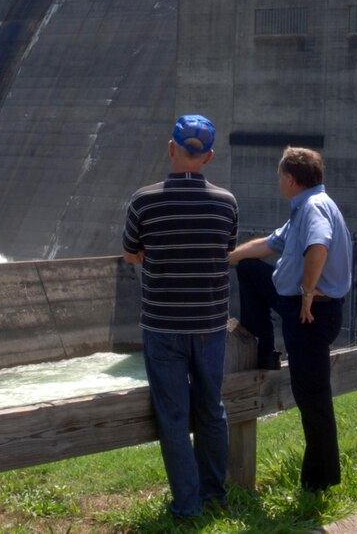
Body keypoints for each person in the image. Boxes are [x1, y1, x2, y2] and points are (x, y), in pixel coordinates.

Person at [122, 114, 239, 519]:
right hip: (210, 324)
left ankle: (187, 507)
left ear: (171, 148)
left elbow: (131, 253)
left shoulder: (144, 200)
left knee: (172, 415)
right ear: (207, 157)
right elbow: (226, 250)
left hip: (163, 326)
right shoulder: (227, 204)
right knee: (212, 409)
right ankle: (215, 496)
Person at [230, 146, 352, 492]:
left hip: (310, 313)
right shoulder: (307, 207)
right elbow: (268, 245)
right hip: (297, 305)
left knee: (312, 396)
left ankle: (320, 481)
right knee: (251, 269)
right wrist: (230, 256)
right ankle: (264, 347)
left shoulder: (312, 208)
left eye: (280, 176)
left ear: (290, 179)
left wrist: (309, 290)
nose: (278, 182)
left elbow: (318, 246)